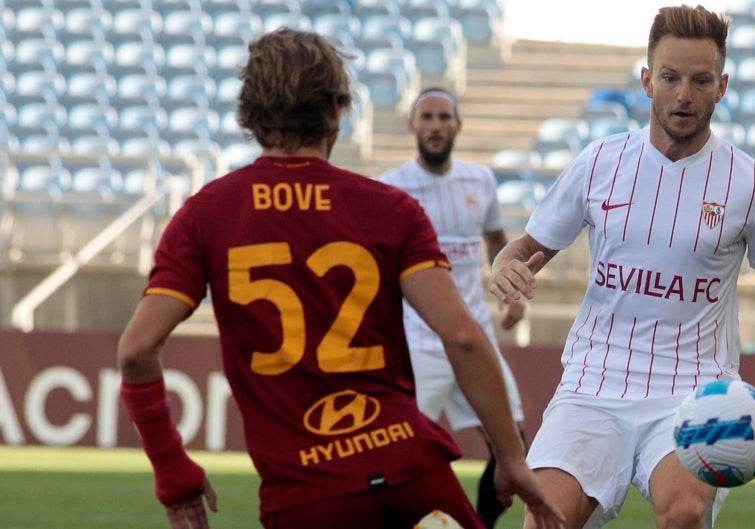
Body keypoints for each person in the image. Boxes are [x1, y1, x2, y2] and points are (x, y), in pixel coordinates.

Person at [116, 28, 564, 529]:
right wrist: (511, 459)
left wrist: (172, 469)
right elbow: (463, 336)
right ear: (336, 107)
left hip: (306, 495)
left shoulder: (204, 216)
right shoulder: (390, 207)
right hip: (412, 474)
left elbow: (136, 350)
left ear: (249, 110)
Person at [487, 5, 755, 529]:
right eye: (670, 77)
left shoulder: (751, 184)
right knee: (547, 520)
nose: (684, 94)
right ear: (646, 80)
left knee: (683, 514)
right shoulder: (599, 162)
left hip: (693, 390)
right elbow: (521, 249)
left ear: (722, 86)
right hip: (594, 383)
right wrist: (504, 266)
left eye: (700, 80)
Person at [378, 87, 528, 529]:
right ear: (412, 125)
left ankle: (479, 524)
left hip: (474, 337)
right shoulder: (390, 187)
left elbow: (496, 241)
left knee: (513, 445)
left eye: (444, 117)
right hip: (416, 342)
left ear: (458, 125)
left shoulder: (480, 180)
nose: (436, 125)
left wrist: (510, 289)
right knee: (394, 454)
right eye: (427, 117)